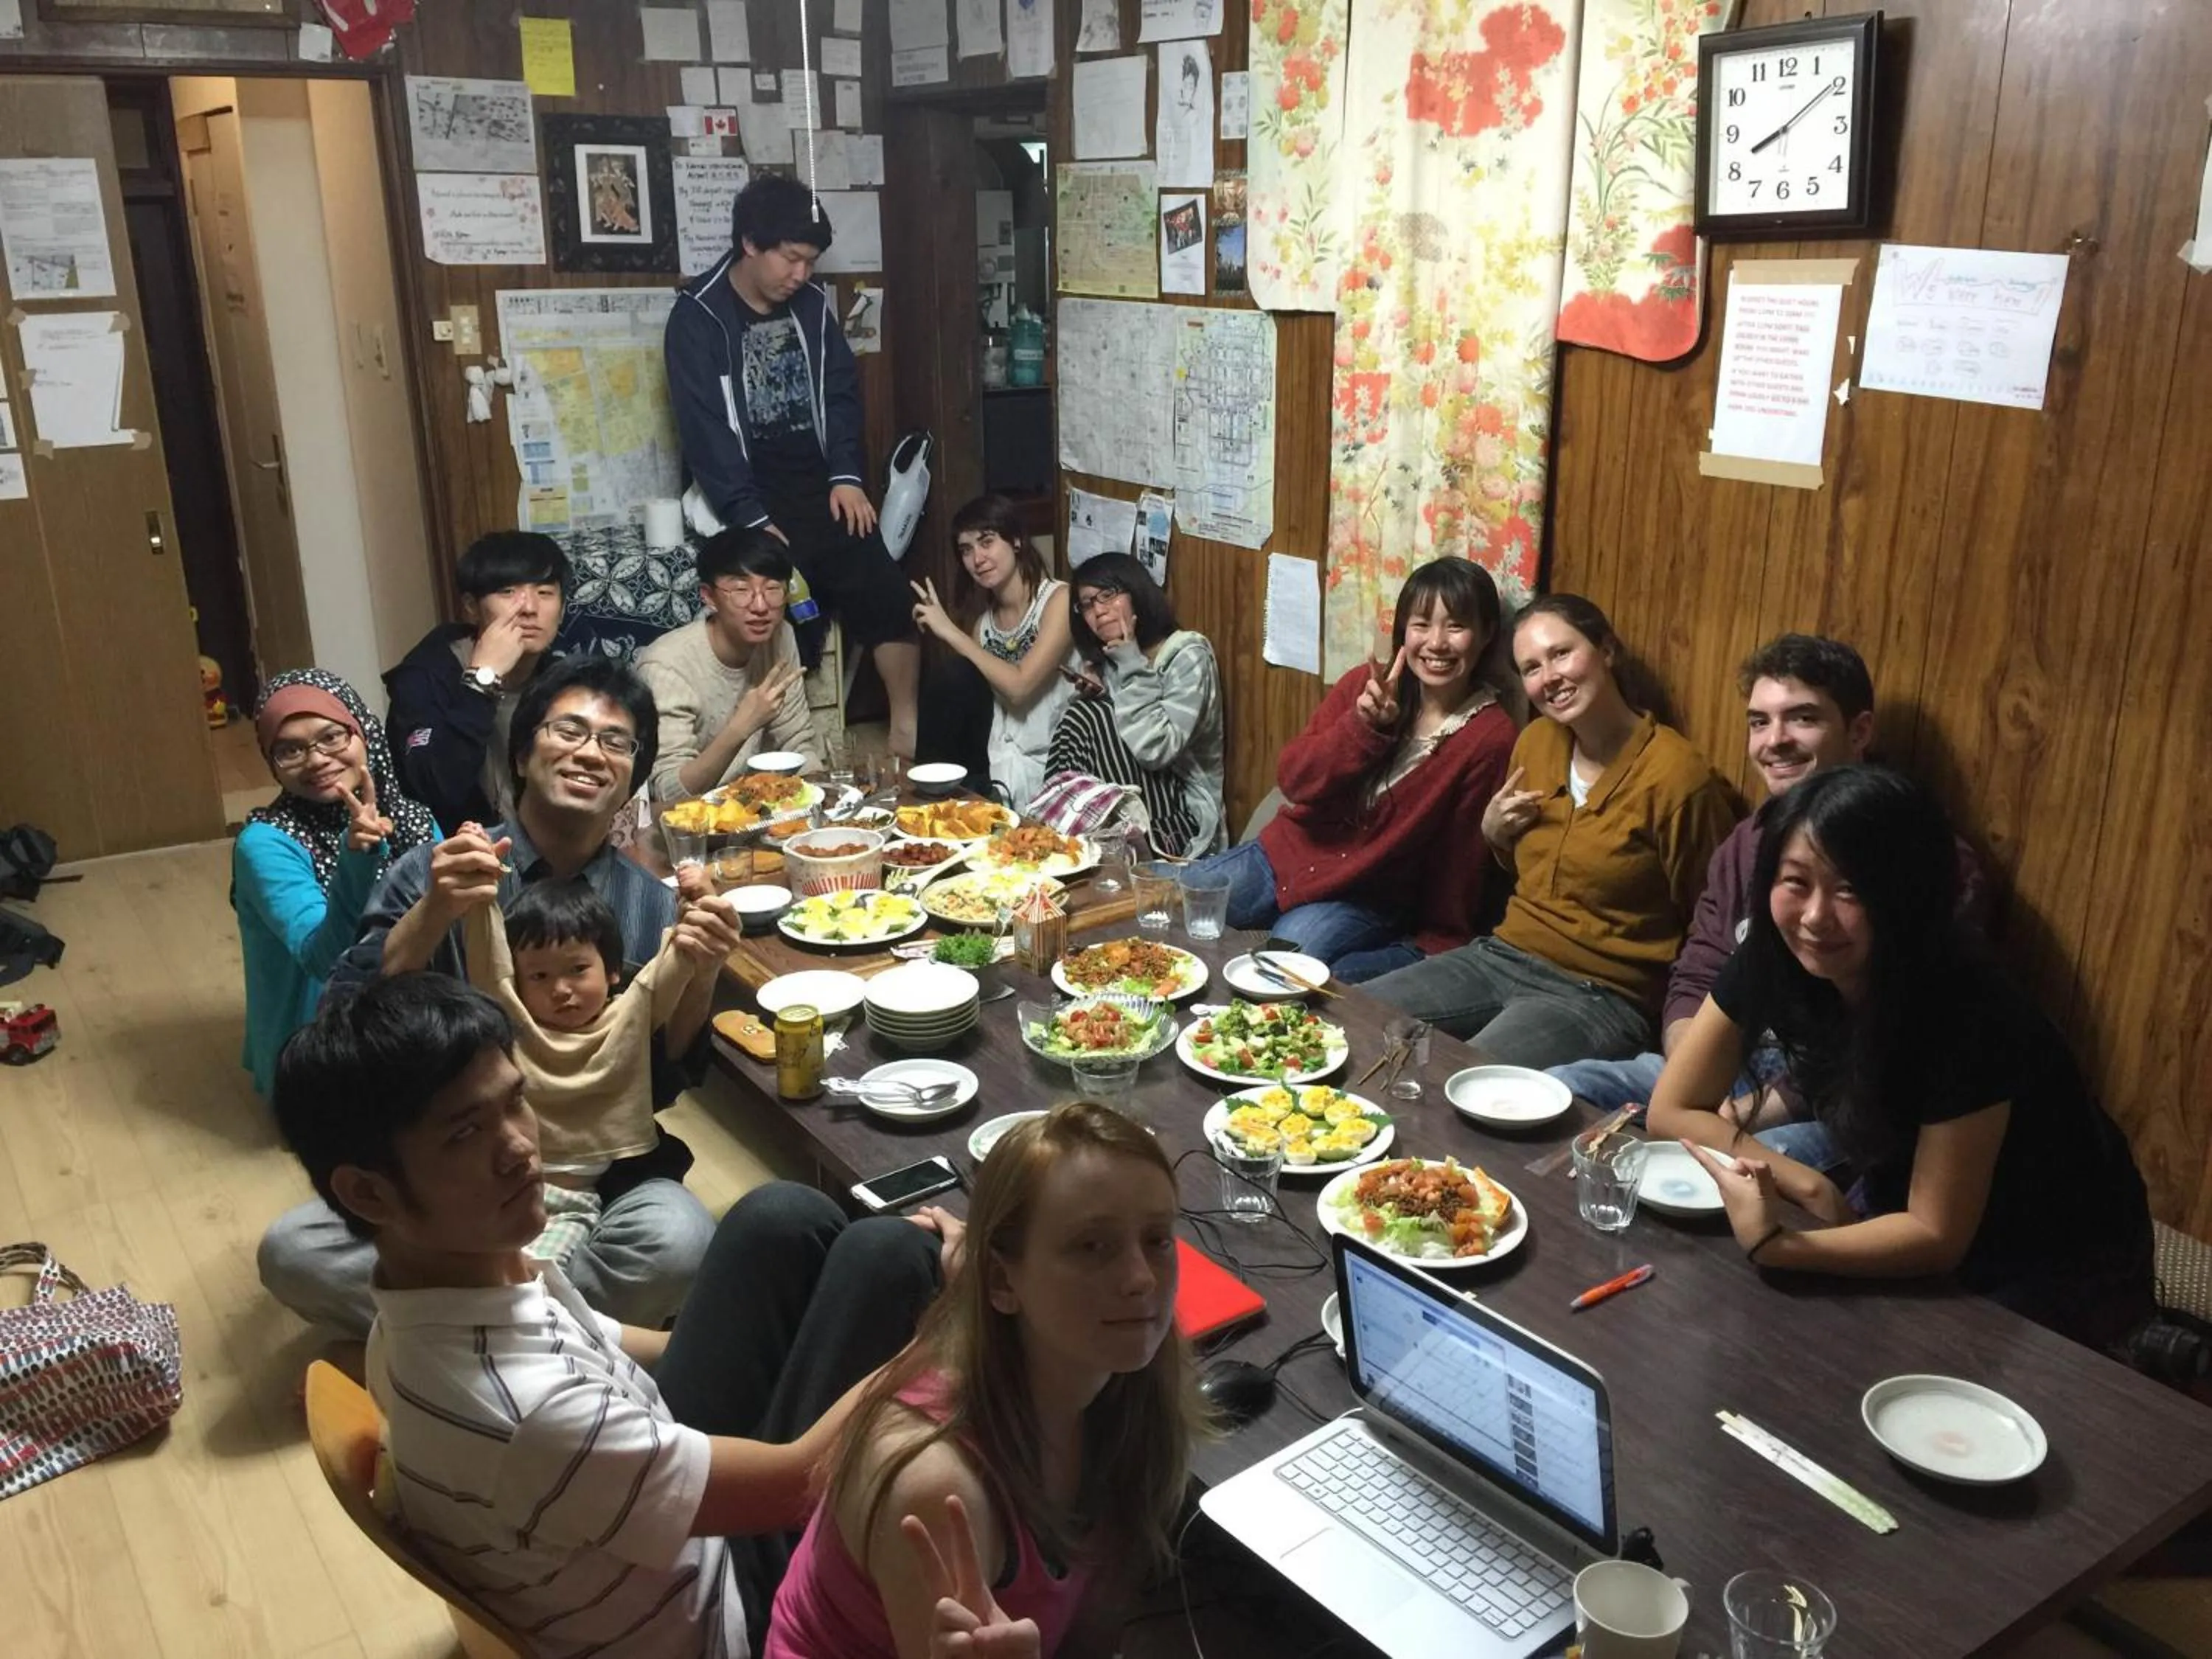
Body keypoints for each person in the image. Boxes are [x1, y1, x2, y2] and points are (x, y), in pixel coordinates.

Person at [270, 973, 959, 1655]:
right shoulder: (526, 1411)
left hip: (637, 1508)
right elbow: (791, 1486)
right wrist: (939, 1335)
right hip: (725, 1618)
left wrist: (793, 1332)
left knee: (783, 1217)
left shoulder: (430, 1298)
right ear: (368, 1193)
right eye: (465, 1133)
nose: (519, 1147)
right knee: (894, 1259)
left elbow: (613, 1345)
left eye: (516, 1102)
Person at [257, 656, 729, 1338]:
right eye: (568, 730)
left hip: (592, 1170)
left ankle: (469, 1329)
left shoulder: (649, 907)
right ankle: (561, 1333)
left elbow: (657, 1083)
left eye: (616, 742)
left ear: (633, 778)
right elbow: (343, 1024)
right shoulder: (437, 870)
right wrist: (434, 911)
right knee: (296, 1252)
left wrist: (703, 969)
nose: (590, 753)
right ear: (521, 754)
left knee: (679, 1239)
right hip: (442, 1160)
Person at [1649, 766, 2155, 1349]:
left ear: (1906, 896)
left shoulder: (1971, 1012)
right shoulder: (1777, 949)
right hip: (1902, 1196)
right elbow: (1673, 1107)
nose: (1814, 916)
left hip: (2053, 1252)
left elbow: (1936, 1236)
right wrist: (1805, 1183)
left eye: (1849, 890)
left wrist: (1783, 1246)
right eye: (1796, 881)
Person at [765, 1102, 1206, 1658]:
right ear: (1001, 1280)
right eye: (1092, 1246)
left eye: (1158, 1239)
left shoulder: (1127, 1396)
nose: (1141, 1278)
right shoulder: (938, 1488)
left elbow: (1093, 1630)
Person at [1548, 634, 1987, 1168]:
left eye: (1802, 718)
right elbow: (1699, 968)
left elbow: (1886, 1036)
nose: (1774, 740)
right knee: (1563, 1090)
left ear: (1859, 731)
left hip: (1837, 1098)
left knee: (1733, 1173)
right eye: (1759, 722)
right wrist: (1693, 1076)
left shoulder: (1923, 857)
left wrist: (1730, 1118)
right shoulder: (1748, 841)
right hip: (1731, 1056)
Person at [1366, 594, 1736, 1067]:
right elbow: (1534, 867)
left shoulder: (1677, 777)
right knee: (1352, 1016)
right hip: (1501, 955)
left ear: (1607, 650)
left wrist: (1680, 1026)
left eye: (1561, 654)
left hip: (1600, 993)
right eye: (1531, 668)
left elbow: (1713, 916)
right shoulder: (1536, 743)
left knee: (1463, 1078)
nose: (1549, 678)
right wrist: (1495, 836)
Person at [667, 173, 920, 757]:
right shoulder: (698, 316)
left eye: (810, 262)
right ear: (749, 244)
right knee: (782, 600)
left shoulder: (810, 307)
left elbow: (841, 393)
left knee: (883, 582)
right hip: (746, 491)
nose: (801, 274)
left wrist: (847, 475)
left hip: (818, 480)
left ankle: (906, 730)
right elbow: (704, 430)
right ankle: (791, 746)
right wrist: (750, 516)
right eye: (791, 258)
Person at [1180, 559, 1518, 983]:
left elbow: (1461, 852)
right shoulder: (1366, 684)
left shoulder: (1489, 736)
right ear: (1403, 630)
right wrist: (1362, 727)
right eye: (1421, 625)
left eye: (1456, 627)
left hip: (1360, 895)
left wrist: (1440, 940)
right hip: (1287, 855)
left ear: (1486, 634)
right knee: (1171, 905)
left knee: (1278, 972)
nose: (1436, 643)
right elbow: (1295, 779)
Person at [232, 669, 440, 1098]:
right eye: (289, 750)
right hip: (320, 1045)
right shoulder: (265, 843)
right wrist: (357, 857)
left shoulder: (413, 819)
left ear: (363, 733)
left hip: (410, 1011)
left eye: (332, 737)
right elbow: (326, 960)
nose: (316, 760)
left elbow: (448, 927)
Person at [384, 530, 571, 832]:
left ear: (562, 610)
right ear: (471, 607)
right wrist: (482, 679)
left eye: (545, 592)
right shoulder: (426, 677)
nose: (529, 608)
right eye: (508, 592)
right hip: (453, 850)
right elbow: (432, 788)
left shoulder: (566, 681)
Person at [1049, 554, 1227, 859]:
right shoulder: (1112, 658)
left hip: (1185, 815)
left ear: (1137, 593)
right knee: (1082, 715)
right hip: (1130, 803)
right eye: (1087, 604)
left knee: (1092, 716)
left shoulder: (1188, 655)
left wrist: (1130, 665)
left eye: (1108, 595)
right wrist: (1101, 693)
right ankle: (1058, 834)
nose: (1099, 611)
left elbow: (1157, 749)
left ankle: (1073, 839)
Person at [908, 495, 1080, 807]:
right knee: (951, 678)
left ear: (1016, 541)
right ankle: (929, 795)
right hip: (992, 755)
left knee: (956, 671)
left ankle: (941, 798)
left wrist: (949, 631)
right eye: (966, 550)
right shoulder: (984, 626)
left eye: (987, 542)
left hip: (1047, 759)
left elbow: (1020, 688)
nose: (978, 559)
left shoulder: (1059, 600)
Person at [636, 526, 822, 798]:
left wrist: (821, 794)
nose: (760, 606)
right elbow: (670, 792)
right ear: (709, 596)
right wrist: (741, 727)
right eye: (741, 590)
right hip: (696, 815)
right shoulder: (666, 666)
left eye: (772, 589)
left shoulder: (781, 635)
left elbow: (797, 741)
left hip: (764, 801)